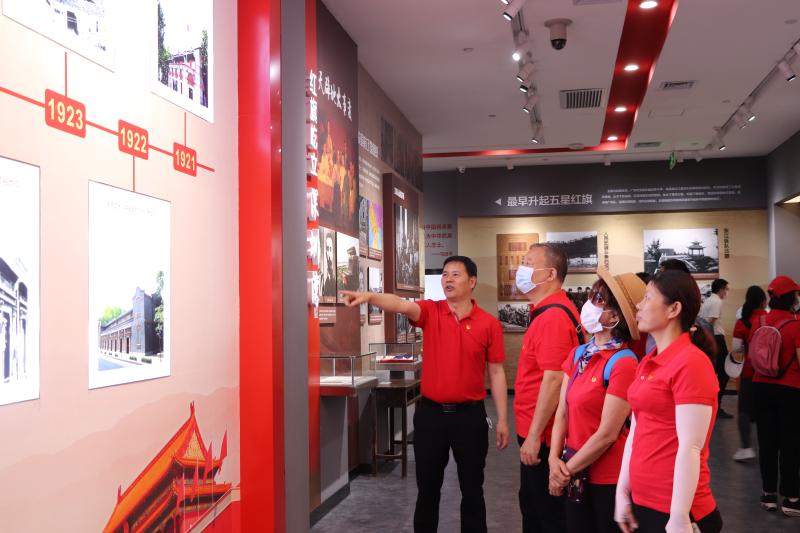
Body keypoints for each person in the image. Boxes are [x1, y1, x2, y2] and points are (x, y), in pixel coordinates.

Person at [342, 255, 509, 533]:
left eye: (455, 274)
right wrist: (370, 296)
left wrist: (502, 419)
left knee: (472, 490)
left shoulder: (488, 324)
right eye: (445, 274)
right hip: (431, 416)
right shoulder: (431, 311)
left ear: (472, 281)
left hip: (470, 417)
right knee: (428, 490)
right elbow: (400, 304)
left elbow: (497, 373)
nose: (448, 279)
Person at [615, 270, 722, 533]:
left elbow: (690, 447)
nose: (638, 305)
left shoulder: (692, 363)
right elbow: (636, 431)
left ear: (674, 309)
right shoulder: (647, 362)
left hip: (676, 509)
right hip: (643, 501)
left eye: (647, 297)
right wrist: (622, 491)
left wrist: (679, 517)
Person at [548, 269, 645, 533]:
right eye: (591, 296)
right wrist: (553, 459)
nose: (589, 304)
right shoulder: (578, 354)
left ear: (614, 317)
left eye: (598, 299)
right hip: (572, 468)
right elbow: (562, 412)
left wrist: (564, 471)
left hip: (606, 477)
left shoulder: (623, 363)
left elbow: (607, 434)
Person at [514, 243, 582, 533]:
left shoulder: (553, 317)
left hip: (544, 436)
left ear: (550, 274)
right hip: (541, 430)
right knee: (535, 507)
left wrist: (533, 436)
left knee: (544, 514)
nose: (521, 269)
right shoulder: (547, 311)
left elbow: (553, 380)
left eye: (529, 263)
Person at [750, 275, 800, 517]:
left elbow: (751, 354)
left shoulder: (759, 321)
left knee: (767, 442)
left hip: (761, 386)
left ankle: (768, 494)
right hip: (790, 389)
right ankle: (791, 498)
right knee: (790, 443)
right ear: (792, 298)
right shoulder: (796, 325)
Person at [729, 285, 767, 462]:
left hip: (749, 373)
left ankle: (746, 448)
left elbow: (736, 349)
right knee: (767, 410)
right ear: (763, 301)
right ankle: (768, 445)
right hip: (771, 373)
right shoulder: (769, 319)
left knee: (744, 410)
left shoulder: (742, 322)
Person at [698, 278, 733, 418]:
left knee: (714, 371)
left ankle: (712, 405)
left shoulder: (708, 300)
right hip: (716, 338)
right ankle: (716, 405)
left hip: (710, 338)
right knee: (724, 372)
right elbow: (710, 322)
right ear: (721, 289)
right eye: (726, 289)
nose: (727, 292)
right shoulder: (717, 301)